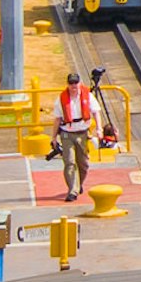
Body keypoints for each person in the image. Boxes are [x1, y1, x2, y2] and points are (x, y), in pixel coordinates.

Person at [53, 70, 100, 200]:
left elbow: (96, 112)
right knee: (69, 162)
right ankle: (72, 190)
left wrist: (99, 128)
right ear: (67, 84)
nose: (73, 86)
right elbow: (57, 119)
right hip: (67, 134)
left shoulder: (88, 96)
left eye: (76, 83)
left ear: (79, 83)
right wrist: (53, 138)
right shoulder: (61, 99)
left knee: (83, 164)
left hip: (82, 133)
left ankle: (79, 184)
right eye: (71, 83)